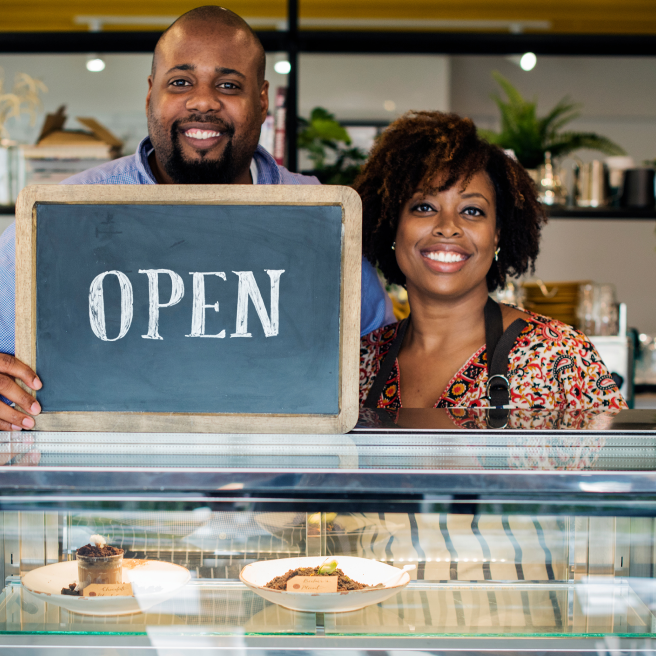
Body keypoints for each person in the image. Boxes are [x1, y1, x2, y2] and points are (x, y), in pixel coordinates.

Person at [0, 5, 394, 431]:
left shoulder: (322, 219)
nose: (203, 101)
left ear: (261, 101)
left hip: (273, 488)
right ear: (151, 92)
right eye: (180, 82)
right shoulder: (59, 217)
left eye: (228, 84)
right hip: (105, 487)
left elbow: (380, 360)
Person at [356, 111, 626, 412]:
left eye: (472, 211)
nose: (448, 226)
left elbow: (621, 459)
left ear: (497, 235)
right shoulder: (360, 363)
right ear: (393, 226)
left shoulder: (560, 357)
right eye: (424, 206)